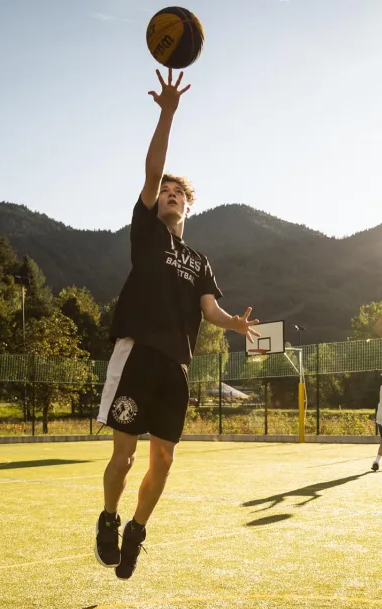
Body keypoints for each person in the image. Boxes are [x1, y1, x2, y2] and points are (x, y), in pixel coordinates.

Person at [94, 68, 259, 580]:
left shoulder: (199, 259)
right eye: (163, 190)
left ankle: (136, 531)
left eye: (176, 192)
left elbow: (209, 310)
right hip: (138, 354)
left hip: (177, 367)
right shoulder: (147, 234)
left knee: (163, 460)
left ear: (188, 205)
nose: (167, 193)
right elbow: (152, 168)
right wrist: (167, 113)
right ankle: (108, 517)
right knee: (124, 455)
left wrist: (233, 323)